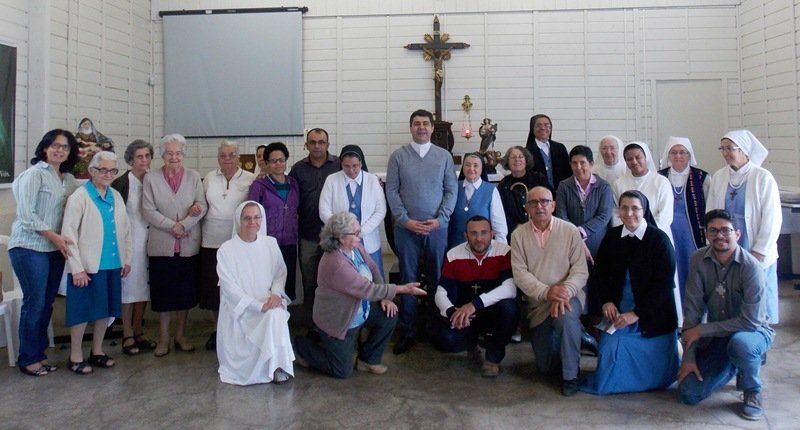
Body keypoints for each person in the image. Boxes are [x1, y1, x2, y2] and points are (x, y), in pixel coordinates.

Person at [294, 212, 426, 378]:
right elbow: (367, 290)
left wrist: (385, 297)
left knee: (389, 315)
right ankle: (301, 346)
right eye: (356, 233)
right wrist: (403, 289)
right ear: (341, 237)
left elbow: (373, 268)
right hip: (340, 320)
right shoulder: (336, 263)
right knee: (342, 371)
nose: (360, 235)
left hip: (360, 311)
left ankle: (368, 359)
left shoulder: (355, 247)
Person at [678, 209, 775, 421]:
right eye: (713, 231)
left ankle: (752, 389)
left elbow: (750, 321)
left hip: (753, 332)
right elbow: (692, 311)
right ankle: (739, 362)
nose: (719, 235)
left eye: (726, 230)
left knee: (742, 345)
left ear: (737, 234)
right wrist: (688, 358)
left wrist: (703, 330)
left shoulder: (751, 268)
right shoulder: (698, 260)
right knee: (689, 393)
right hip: (719, 336)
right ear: (706, 235)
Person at [580, 190, 679, 395]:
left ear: (644, 210)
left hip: (652, 317)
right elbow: (600, 274)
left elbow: (664, 286)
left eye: (635, 208)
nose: (629, 213)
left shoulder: (659, 240)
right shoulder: (612, 237)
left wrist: (636, 314)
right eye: (624, 208)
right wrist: (606, 301)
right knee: (609, 349)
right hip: (619, 313)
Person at [385, 109, 458, 354]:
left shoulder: (443, 156)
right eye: (416, 124)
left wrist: (441, 219)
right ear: (411, 128)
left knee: (437, 277)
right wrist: (405, 220)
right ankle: (408, 330)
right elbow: (392, 191)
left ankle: (436, 328)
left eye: (425, 124)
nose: (421, 128)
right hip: (407, 230)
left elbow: (451, 190)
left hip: (437, 228)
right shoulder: (398, 157)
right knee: (408, 279)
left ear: (431, 127)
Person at [8, 129, 80, 376]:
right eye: (54, 145)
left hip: (54, 249)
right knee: (35, 302)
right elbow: (28, 216)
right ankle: (28, 359)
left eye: (65, 147)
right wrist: (56, 237)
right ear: (45, 147)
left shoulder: (68, 179)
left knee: (46, 304)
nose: (59, 150)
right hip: (29, 247)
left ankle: (38, 354)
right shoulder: (34, 175)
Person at [511, 186, 588, 396]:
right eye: (533, 203)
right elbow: (520, 274)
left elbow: (580, 270)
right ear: (527, 208)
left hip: (567, 297)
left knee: (566, 316)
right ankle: (574, 341)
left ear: (553, 205)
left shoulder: (570, 230)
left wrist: (564, 291)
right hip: (539, 302)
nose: (539, 206)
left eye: (544, 201)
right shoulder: (518, 235)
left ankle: (571, 376)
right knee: (545, 368)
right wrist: (547, 292)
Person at [61, 151, 131, 375]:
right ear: (92, 171)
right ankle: (75, 356)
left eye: (113, 170)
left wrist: (126, 259)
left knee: (105, 310)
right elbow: (68, 234)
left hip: (112, 264)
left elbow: (126, 231)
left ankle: (97, 351)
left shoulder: (116, 196)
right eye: (103, 170)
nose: (108, 174)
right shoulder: (79, 197)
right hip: (87, 267)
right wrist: (76, 268)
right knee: (81, 312)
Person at [706, 130, 781, 324]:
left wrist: (759, 250)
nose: (725, 153)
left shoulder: (762, 177)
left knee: (757, 296)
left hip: (754, 244)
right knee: (730, 293)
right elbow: (712, 211)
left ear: (745, 150)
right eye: (722, 148)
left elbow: (772, 218)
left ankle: (759, 334)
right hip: (726, 245)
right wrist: (713, 239)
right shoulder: (720, 176)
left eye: (730, 148)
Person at [142, 133, 207, 356]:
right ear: (162, 155)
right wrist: (173, 226)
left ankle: (180, 334)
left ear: (184, 154)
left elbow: (201, 205)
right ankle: (163, 338)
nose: (174, 157)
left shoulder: (194, 176)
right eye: (169, 153)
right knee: (164, 294)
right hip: (162, 245)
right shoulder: (150, 178)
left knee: (185, 293)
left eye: (178, 153)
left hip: (188, 245)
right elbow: (148, 211)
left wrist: (186, 224)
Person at [216, 201, 295, 385]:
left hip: (268, 300)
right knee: (269, 313)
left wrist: (276, 294)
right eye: (247, 218)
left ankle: (276, 366)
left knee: (276, 314)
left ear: (262, 219)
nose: (252, 222)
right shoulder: (226, 250)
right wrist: (257, 306)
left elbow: (279, 273)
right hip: (241, 309)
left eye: (256, 217)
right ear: (239, 220)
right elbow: (229, 288)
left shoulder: (270, 243)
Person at [431, 215, 518, 377]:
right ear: (466, 236)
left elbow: (510, 289)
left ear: (492, 234)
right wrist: (451, 312)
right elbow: (441, 293)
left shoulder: (504, 252)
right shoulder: (453, 255)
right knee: (444, 339)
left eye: (484, 233)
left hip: (493, 313)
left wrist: (474, 304)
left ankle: (493, 358)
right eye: (474, 233)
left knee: (510, 309)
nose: (479, 239)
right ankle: (471, 344)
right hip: (466, 317)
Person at [555, 145, 614, 353]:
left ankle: (596, 329)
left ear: (591, 164)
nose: (579, 167)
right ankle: (577, 330)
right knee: (576, 285)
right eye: (574, 163)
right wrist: (576, 238)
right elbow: (561, 215)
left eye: (583, 163)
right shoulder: (564, 186)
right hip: (571, 245)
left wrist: (581, 232)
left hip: (598, 244)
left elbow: (604, 216)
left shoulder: (604, 187)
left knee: (596, 285)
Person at [201, 141, 256, 350]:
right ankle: (219, 331)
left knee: (238, 288)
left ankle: (239, 330)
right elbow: (202, 204)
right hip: (211, 241)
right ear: (218, 158)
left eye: (231, 155)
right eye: (223, 155)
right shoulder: (208, 178)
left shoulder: (250, 179)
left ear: (238, 157)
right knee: (215, 290)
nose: (227, 159)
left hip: (237, 242)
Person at [111, 139, 156, 355]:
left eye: (147, 156)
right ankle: (127, 333)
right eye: (140, 156)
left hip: (151, 239)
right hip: (129, 241)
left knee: (143, 288)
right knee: (129, 289)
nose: (144, 160)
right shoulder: (122, 182)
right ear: (131, 159)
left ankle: (139, 330)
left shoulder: (154, 180)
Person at [288, 128, 340, 313]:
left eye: (321, 142)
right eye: (313, 142)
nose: (317, 146)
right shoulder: (297, 169)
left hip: (335, 235)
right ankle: (313, 324)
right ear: (306, 145)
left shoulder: (340, 165)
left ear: (328, 144)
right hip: (308, 234)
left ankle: (333, 323)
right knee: (310, 282)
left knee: (335, 281)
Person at [319, 145, 387, 276]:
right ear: (341, 164)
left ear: (361, 163)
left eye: (355, 166)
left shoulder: (372, 180)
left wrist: (362, 231)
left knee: (373, 278)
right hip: (342, 241)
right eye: (346, 166)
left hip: (368, 240)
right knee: (344, 279)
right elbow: (324, 210)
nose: (351, 170)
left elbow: (380, 210)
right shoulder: (332, 180)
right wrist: (342, 231)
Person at [658, 136, 710, 297]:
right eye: (674, 152)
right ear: (668, 155)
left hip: (693, 233)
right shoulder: (659, 177)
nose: (678, 156)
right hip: (667, 230)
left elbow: (710, 206)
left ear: (689, 155)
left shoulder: (702, 177)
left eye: (682, 152)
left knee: (693, 266)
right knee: (671, 266)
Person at [248, 142, 301, 301]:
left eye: (281, 160)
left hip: (290, 242)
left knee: (287, 282)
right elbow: (252, 213)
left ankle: (284, 322)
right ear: (266, 163)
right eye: (273, 161)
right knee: (268, 286)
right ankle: (269, 322)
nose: (278, 164)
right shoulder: (259, 186)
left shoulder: (293, 183)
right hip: (268, 244)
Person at [613, 142, 674, 243]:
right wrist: (629, 231)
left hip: (656, 237)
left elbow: (665, 215)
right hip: (627, 237)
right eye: (629, 159)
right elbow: (615, 213)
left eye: (638, 157)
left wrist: (645, 232)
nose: (634, 162)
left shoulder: (661, 181)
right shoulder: (619, 183)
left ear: (646, 157)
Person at [448, 152, 507, 248]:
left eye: (476, 165)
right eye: (467, 165)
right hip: (455, 248)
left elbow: (499, 227)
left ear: (481, 169)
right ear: (463, 168)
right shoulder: (454, 187)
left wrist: (501, 251)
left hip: (482, 248)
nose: (471, 169)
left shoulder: (490, 190)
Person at [496, 146, 549, 241]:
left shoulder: (539, 178)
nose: (517, 160)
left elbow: (549, 203)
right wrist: (516, 226)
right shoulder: (503, 184)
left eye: (521, 157)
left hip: (540, 230)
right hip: (515, 233)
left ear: (526, 160)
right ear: (507, 161)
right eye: (513, 157)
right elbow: (501, 212)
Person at [524, 114, 571, 189]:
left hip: (561, 192)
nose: (543, 128)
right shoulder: (526, 151)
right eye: (538, 125)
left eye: (546, 125)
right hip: (538, 194)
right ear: (532, 129)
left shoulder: (560, 148)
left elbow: (568, 173)